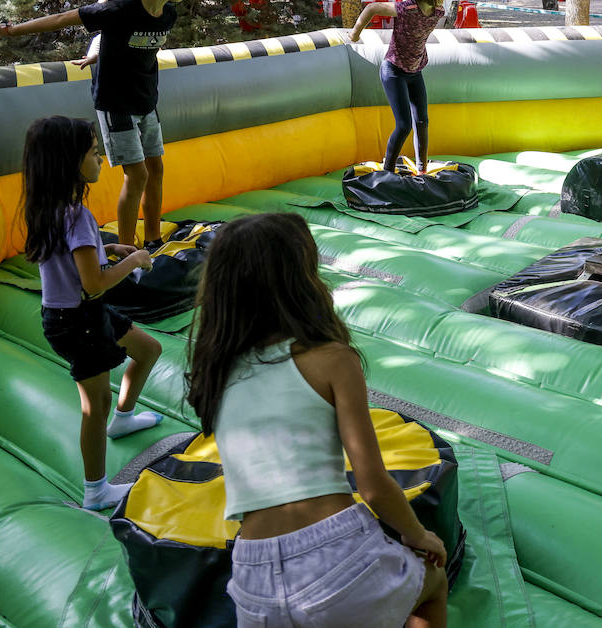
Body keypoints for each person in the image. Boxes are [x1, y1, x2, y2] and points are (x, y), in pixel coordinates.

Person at [185, 213, 448, 628]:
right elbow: (373, 486)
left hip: (252, 577)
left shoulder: (216, 374)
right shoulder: (331, 359)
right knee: (431, 582)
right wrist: (418, 534)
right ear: (301, 280)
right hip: (337, 553)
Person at [0, 0, 191, 250]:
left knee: (156, 169)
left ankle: (152, 238)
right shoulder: (118, 10)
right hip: (116, 104)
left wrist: (99, 54)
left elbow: (129, 48)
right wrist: (11, 31)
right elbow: (61, 19)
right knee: (137, 175)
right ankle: (125, 250)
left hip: (147, 101)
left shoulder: (168, 13)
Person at [21, 116, 163, 510]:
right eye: (93, 152)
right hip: (79, 319)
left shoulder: (49, 207)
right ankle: (96, 490)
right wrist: (134, 258)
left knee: (148, 349)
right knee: (94, 405)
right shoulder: (76, 215)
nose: (100, 157)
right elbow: (94, 283)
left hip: (73, 314)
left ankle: (125, 416)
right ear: (69, 161)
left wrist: (110, 249)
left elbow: (78, 259)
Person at [348, 0, 447, 175]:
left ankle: (422, 169)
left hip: (415, 71)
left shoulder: (439, 11)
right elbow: (372, 8)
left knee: (422, 120)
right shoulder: (405, 8)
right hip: (393, 70)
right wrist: (355, 33)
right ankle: (388, 171)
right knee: (403, 125)